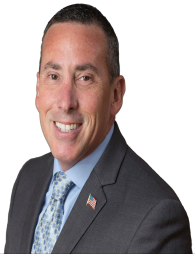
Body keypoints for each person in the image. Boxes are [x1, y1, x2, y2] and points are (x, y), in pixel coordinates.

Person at [4, 3, 192, 254]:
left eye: (85, 78)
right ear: (37, 89)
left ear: (116, 94)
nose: (65, 102)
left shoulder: (156, 217)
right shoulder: (27, 178)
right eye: (54, 76)